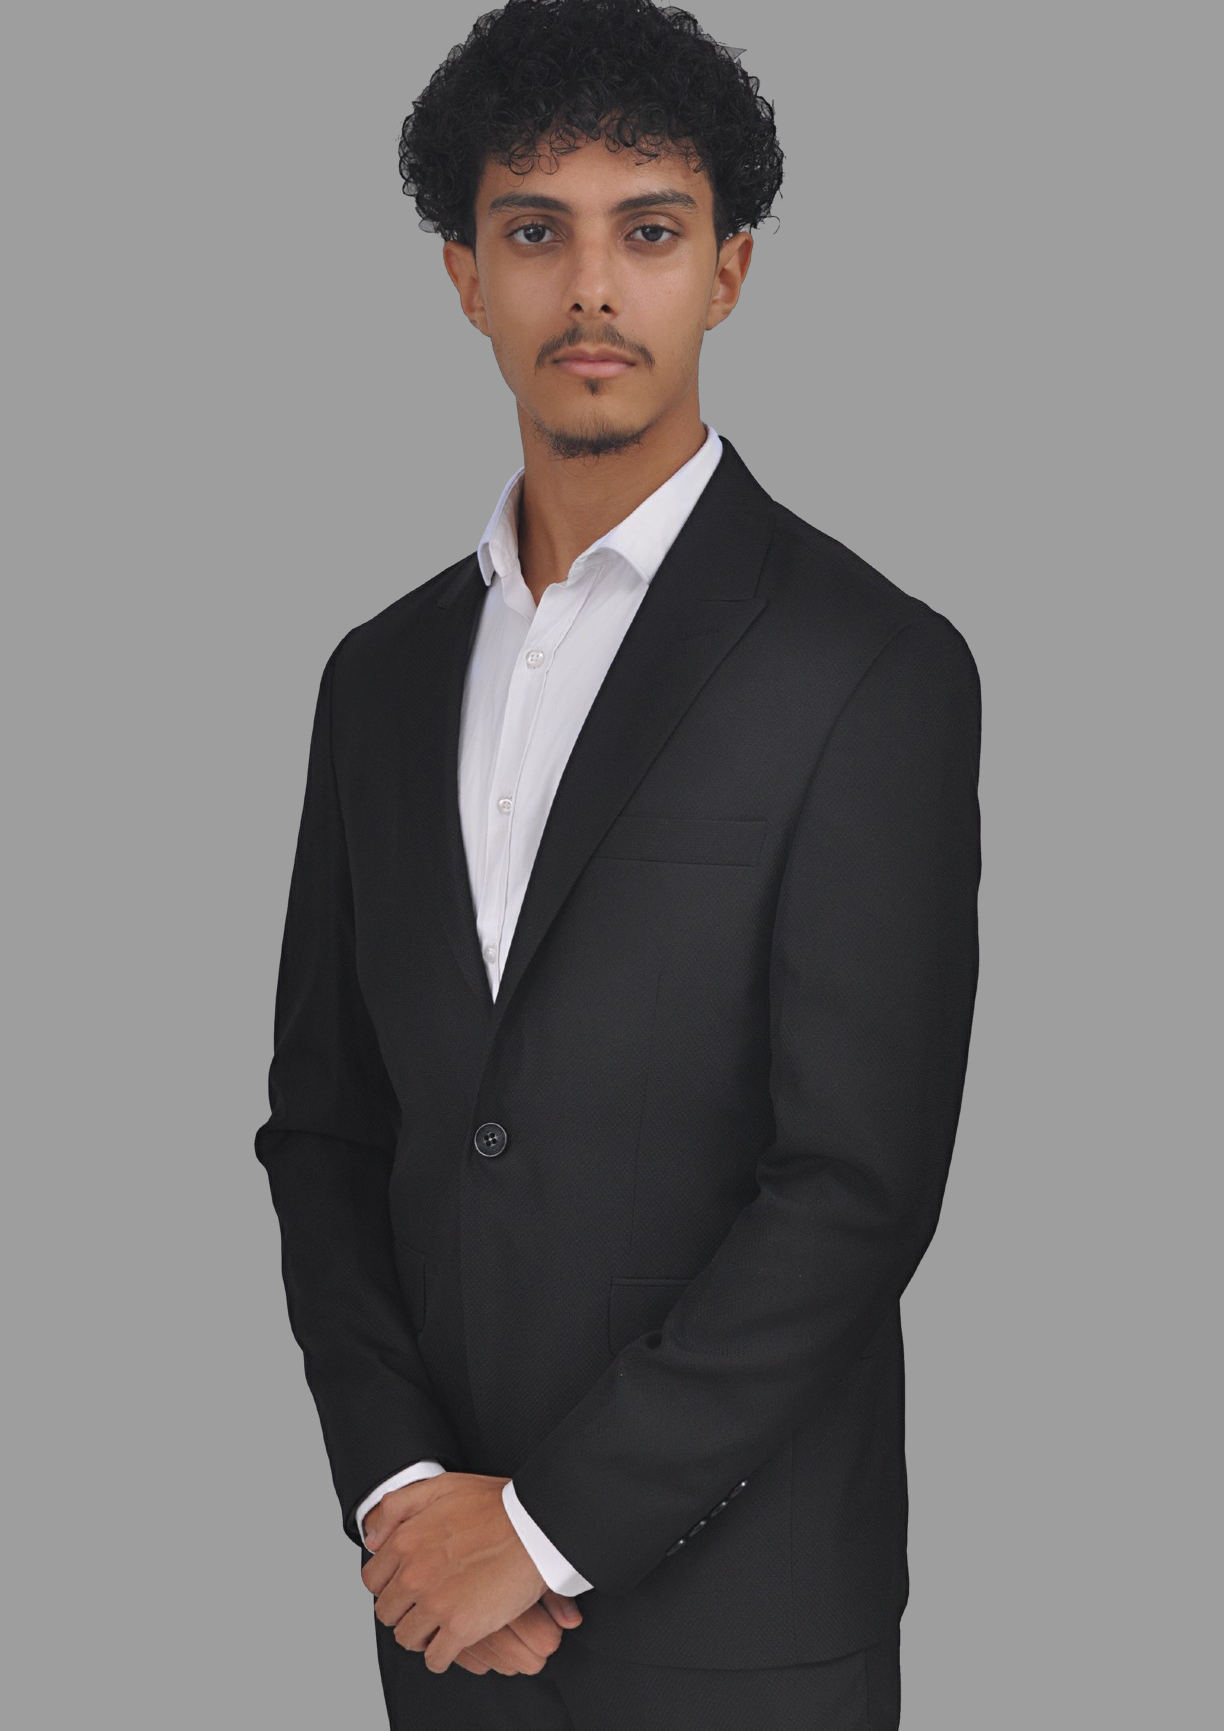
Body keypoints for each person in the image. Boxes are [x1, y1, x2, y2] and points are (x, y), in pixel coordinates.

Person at [253, 1, 981, 1725]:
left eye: (647, 232)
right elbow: (329, 1127)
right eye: (536, 233)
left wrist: (545, 1531)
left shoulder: (868, 665)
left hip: (742, 1628)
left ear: (728, 271)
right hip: (443, 1621)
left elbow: (854, 1186)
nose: (592, 289)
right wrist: (404, 1494)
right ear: (465, 275)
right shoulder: (377, 679)